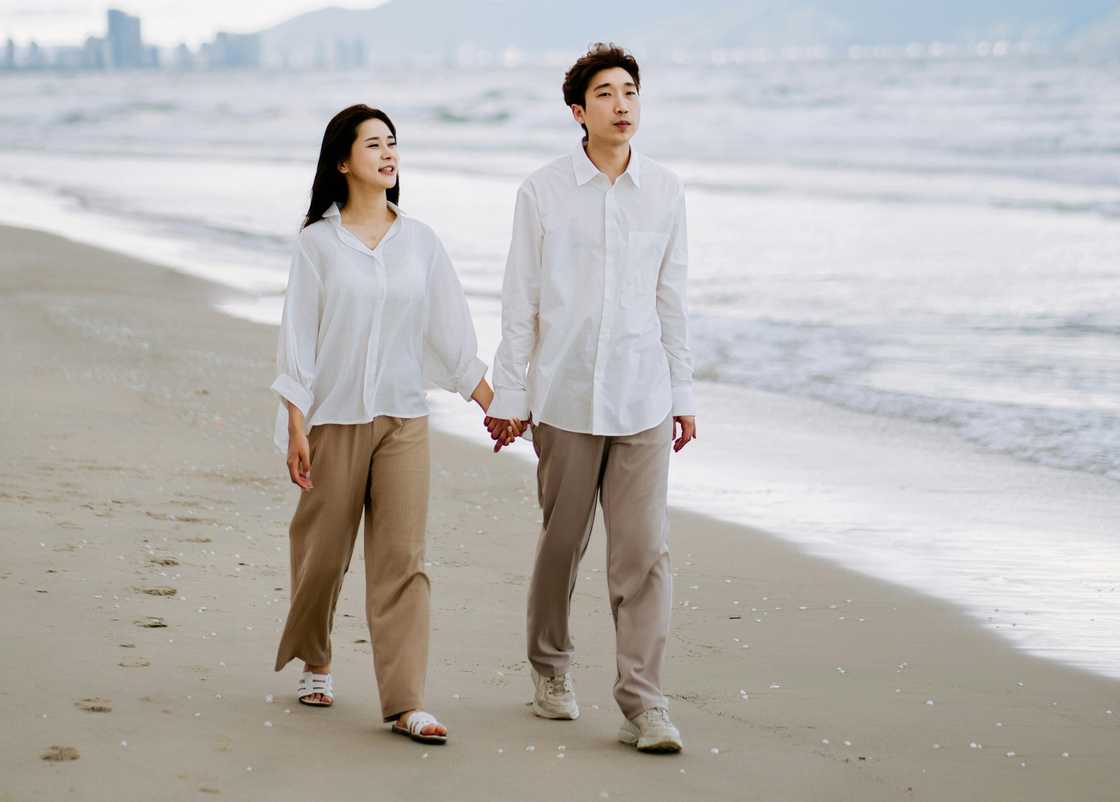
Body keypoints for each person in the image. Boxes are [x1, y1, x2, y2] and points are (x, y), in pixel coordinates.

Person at [485, 43, 697, 754]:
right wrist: (510, 393)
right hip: (567, 399)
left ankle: (645, 704)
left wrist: (683, 392)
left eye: (631, 91)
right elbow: (522, 300)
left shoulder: (665, 191)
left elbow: (672, 300)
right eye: (606, 94)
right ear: (579, 111)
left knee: (644, 555)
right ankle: (550, 670)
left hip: (643, 397)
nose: (623, 105)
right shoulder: (542, 191)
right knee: (562, 544)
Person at [271, 104, 494, 745]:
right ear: (343, 161)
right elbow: (298, 340)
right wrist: (294, 424)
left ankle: (405, 703)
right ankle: (316, 660)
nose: (389, 154)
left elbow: (449, 334)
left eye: (393, 143)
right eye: (374, 144)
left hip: (404, 420)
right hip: (334, 421)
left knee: (402, 562)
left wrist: (493, 404)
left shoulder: (420, 242)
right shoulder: (318, 243)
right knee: (321, 556)